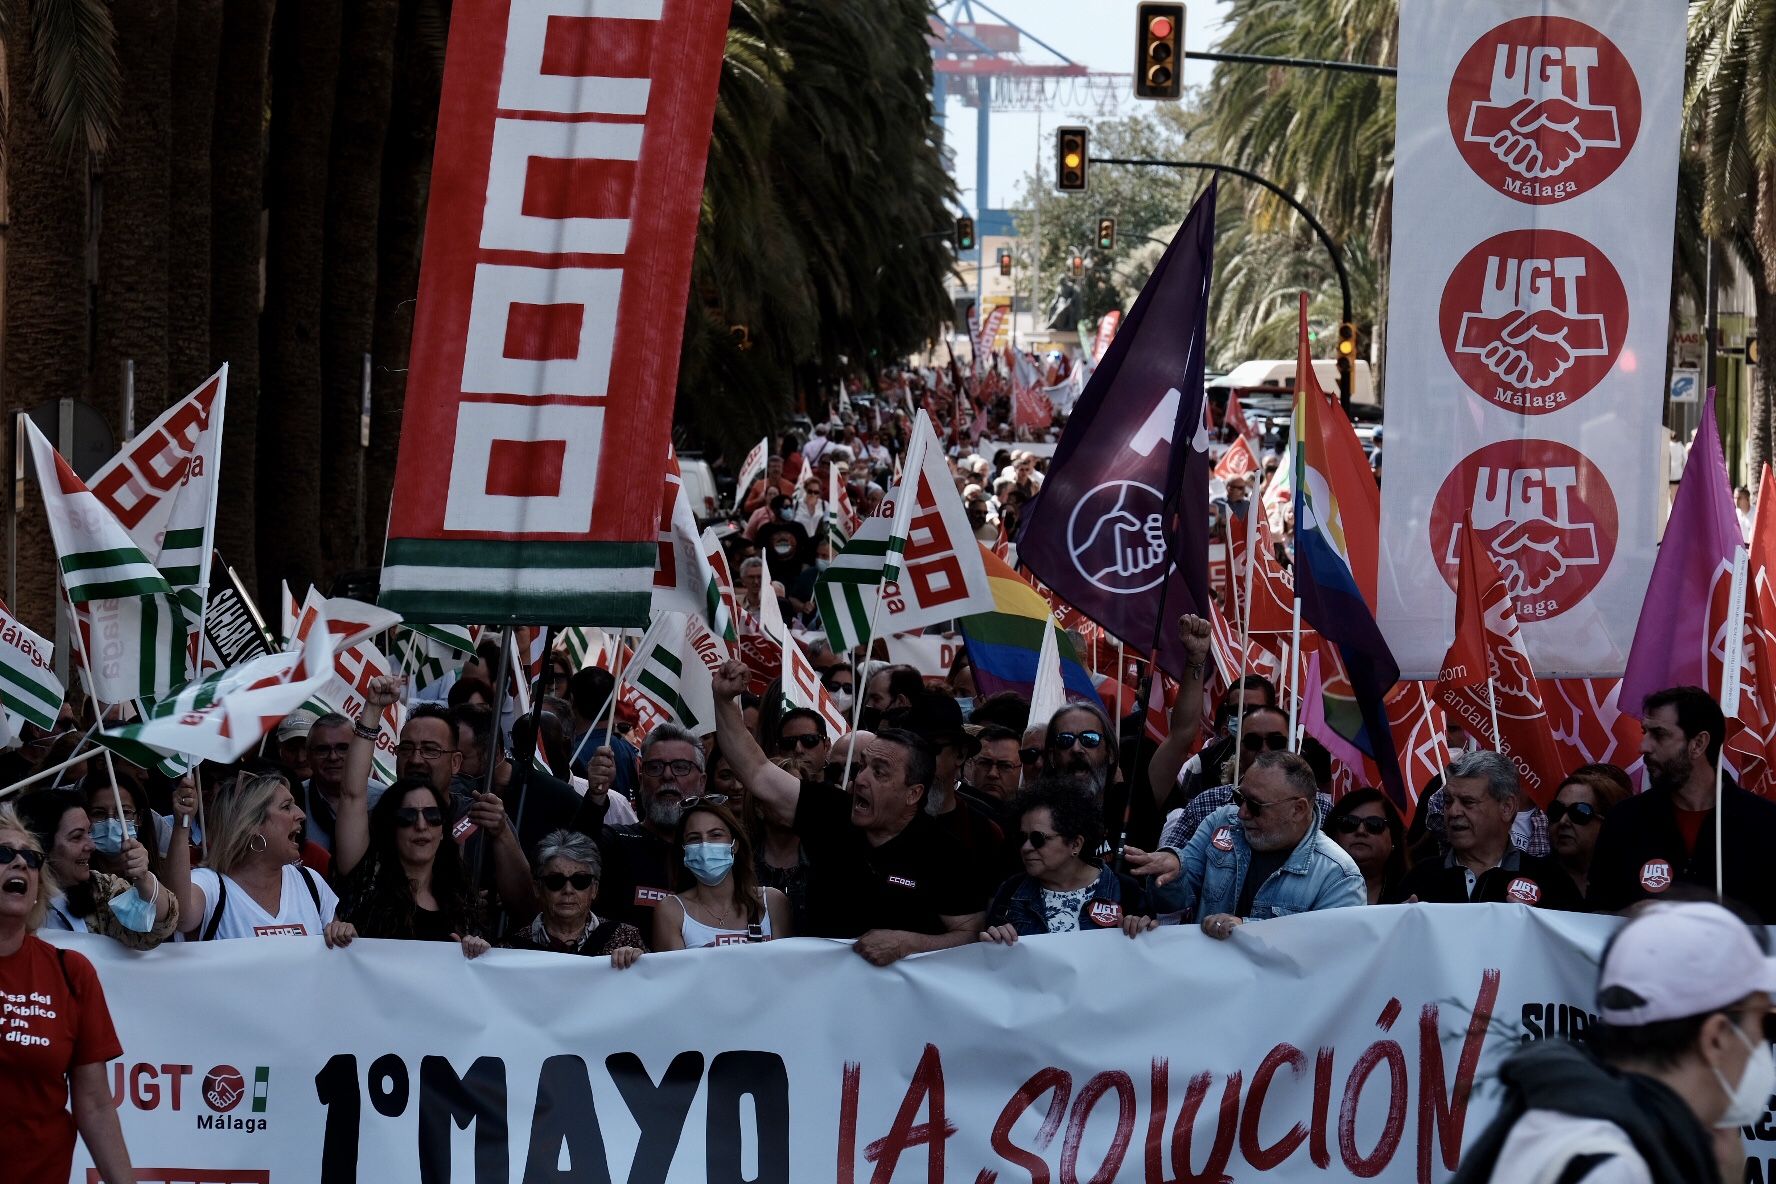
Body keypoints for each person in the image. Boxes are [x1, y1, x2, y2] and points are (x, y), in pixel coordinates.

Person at [1450, 900, 1769, 1184]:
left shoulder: (1571, 1125)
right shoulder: (1614, 1168)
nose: (1762, 1041)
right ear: (1715, 1038)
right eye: (1765, 1020)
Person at [713, 659, 984, 963]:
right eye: (863, 766)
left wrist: (909, 944)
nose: (862, 779)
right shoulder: (829, 812)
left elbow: (971, 934)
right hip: (825, 996)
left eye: (880, 772)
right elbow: (756, 772)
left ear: (913, 793)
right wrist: (724, 700)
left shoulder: (945, 854)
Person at [0, 804, 135, 1183]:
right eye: (3, 855)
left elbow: (94, 1103)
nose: (19, 864)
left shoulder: (71, 972)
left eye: (30, 858)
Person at [1125, 750, 1364, 937]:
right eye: (1240, 798)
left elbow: (1329, 952)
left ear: (1298, 809)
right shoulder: (1221, 822)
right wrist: (1172, 874)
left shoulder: (1340, 877)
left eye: (1256, 805)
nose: (1242, 813)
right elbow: (1171, 903)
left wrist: (1245, 931)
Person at [1589, 686, 1776, 920]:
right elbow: (1593, 916)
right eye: (1645, 732)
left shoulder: (1765, 825)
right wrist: (1627, 915)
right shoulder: (1624, 820)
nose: (1643, 746)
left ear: (1698, 744)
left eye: (1659, 734)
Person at [167, 771, 355, 944]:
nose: (301, 815)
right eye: (287, 807)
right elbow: (180, 916)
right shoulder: (210, 886)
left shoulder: (310, 882)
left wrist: (343, 934)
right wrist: (182, 825)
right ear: (251, 825)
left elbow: (338, 959)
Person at [1388, 751, 1580, 909]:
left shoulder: (1550, 880)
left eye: (1467, 802)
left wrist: (1535, 924)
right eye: (1448, 801)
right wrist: (1400, 924)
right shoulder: (1421, 878)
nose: (1453, 812)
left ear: (1506, 808)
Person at [332, 775, 489, 957]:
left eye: (432, 815)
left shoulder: (460, 900)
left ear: (442, 831)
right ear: (391, 828)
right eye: (408, 816)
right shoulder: (365, 888)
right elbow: (352, 794)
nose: (421, 825)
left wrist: (476, 951)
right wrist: (341, 933)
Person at [572, 722, 708, 932]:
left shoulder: (717, 857)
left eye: (681, 767)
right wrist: (595, 797)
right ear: (642, 779)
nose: (668, 776)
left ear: (702, 782)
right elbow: (572, 861)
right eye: (655, 767)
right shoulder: (616, 843)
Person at [981, 780, 1149, 942]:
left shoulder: (1126, 891)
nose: (1026, 847)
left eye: (1037, 838)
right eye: (1021, 837)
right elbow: (991, 962)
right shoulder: (1011, 890)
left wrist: (1143, 931)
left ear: (1075, 844)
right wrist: (994, 940)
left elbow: (1149, 956)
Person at [18, 788, 178, 948]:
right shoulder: (9, 895)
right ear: (40, 844)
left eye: (89, 832)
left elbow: (155, 929)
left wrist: (144, 879)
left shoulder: (100, 889)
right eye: (77, 837)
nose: (91, 845)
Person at [653, 799, 791, 949]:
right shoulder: (672, 911)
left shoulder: (771, 902)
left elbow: (786, 968)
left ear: (735, 845)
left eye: (716, 835)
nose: (705, 845)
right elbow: (674, 972)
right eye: (694, 838)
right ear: (684, 849)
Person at [501, 830, 644, 965]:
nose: (568, 890)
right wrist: (480, 954)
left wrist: (640, 962)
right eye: (555, 881)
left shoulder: (627, 938)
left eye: (580, 881)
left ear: (594, 889)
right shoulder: (510, 950)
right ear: (538, 888)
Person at [300, 711, 388, 853]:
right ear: (308, 756)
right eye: (323, 749)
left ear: (358, 751)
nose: (333, 757)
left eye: (343, 748)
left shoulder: (383, 799)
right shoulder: (294, 800)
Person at [1549, 764, 1634, 898]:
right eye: (1556, 810)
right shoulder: (1528, 880)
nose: (1563, 821)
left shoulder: (1634, 882)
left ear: (1608, 821)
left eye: (1579, 812)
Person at [1323, 788, 1409, 905]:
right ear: (1334, 835)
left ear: (1393, 838)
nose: (1361, 831)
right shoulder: (1312, 889)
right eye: (1349, 823)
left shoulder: (1414, 890)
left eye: (1374, 824)